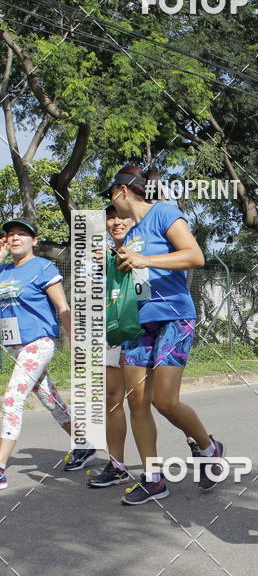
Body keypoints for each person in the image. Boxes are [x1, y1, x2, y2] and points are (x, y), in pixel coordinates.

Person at [101, 164, 225, 504]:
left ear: (124, 191)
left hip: (173, 317)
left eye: (111, 195)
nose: (110, 205)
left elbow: (195, 256)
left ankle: (208, 446)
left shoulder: (164, 213)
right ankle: (153, 478)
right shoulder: (130, 232)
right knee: (137, 401)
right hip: (137, 322)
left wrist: (144, 260)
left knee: (165, 401)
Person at [0, 219, 96, 489]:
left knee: (12, 398)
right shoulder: (3, 271)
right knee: (50, 399)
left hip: (39, 342)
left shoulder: (43, 267)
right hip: (16, 348)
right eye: (10, 234)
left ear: (34, 240)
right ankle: (83, 444)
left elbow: (63, 307)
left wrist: (77, 344)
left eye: (22, 234)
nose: (15, 237)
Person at [86, 203, 133, 487]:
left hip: (147, 330)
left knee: (156, 400)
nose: (116, 221)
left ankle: (201, 443)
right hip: (114, 330)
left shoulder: (149, 245)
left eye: (122, 216)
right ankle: (117, 465)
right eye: (110, 217)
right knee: (113, 400)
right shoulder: (99, 254)